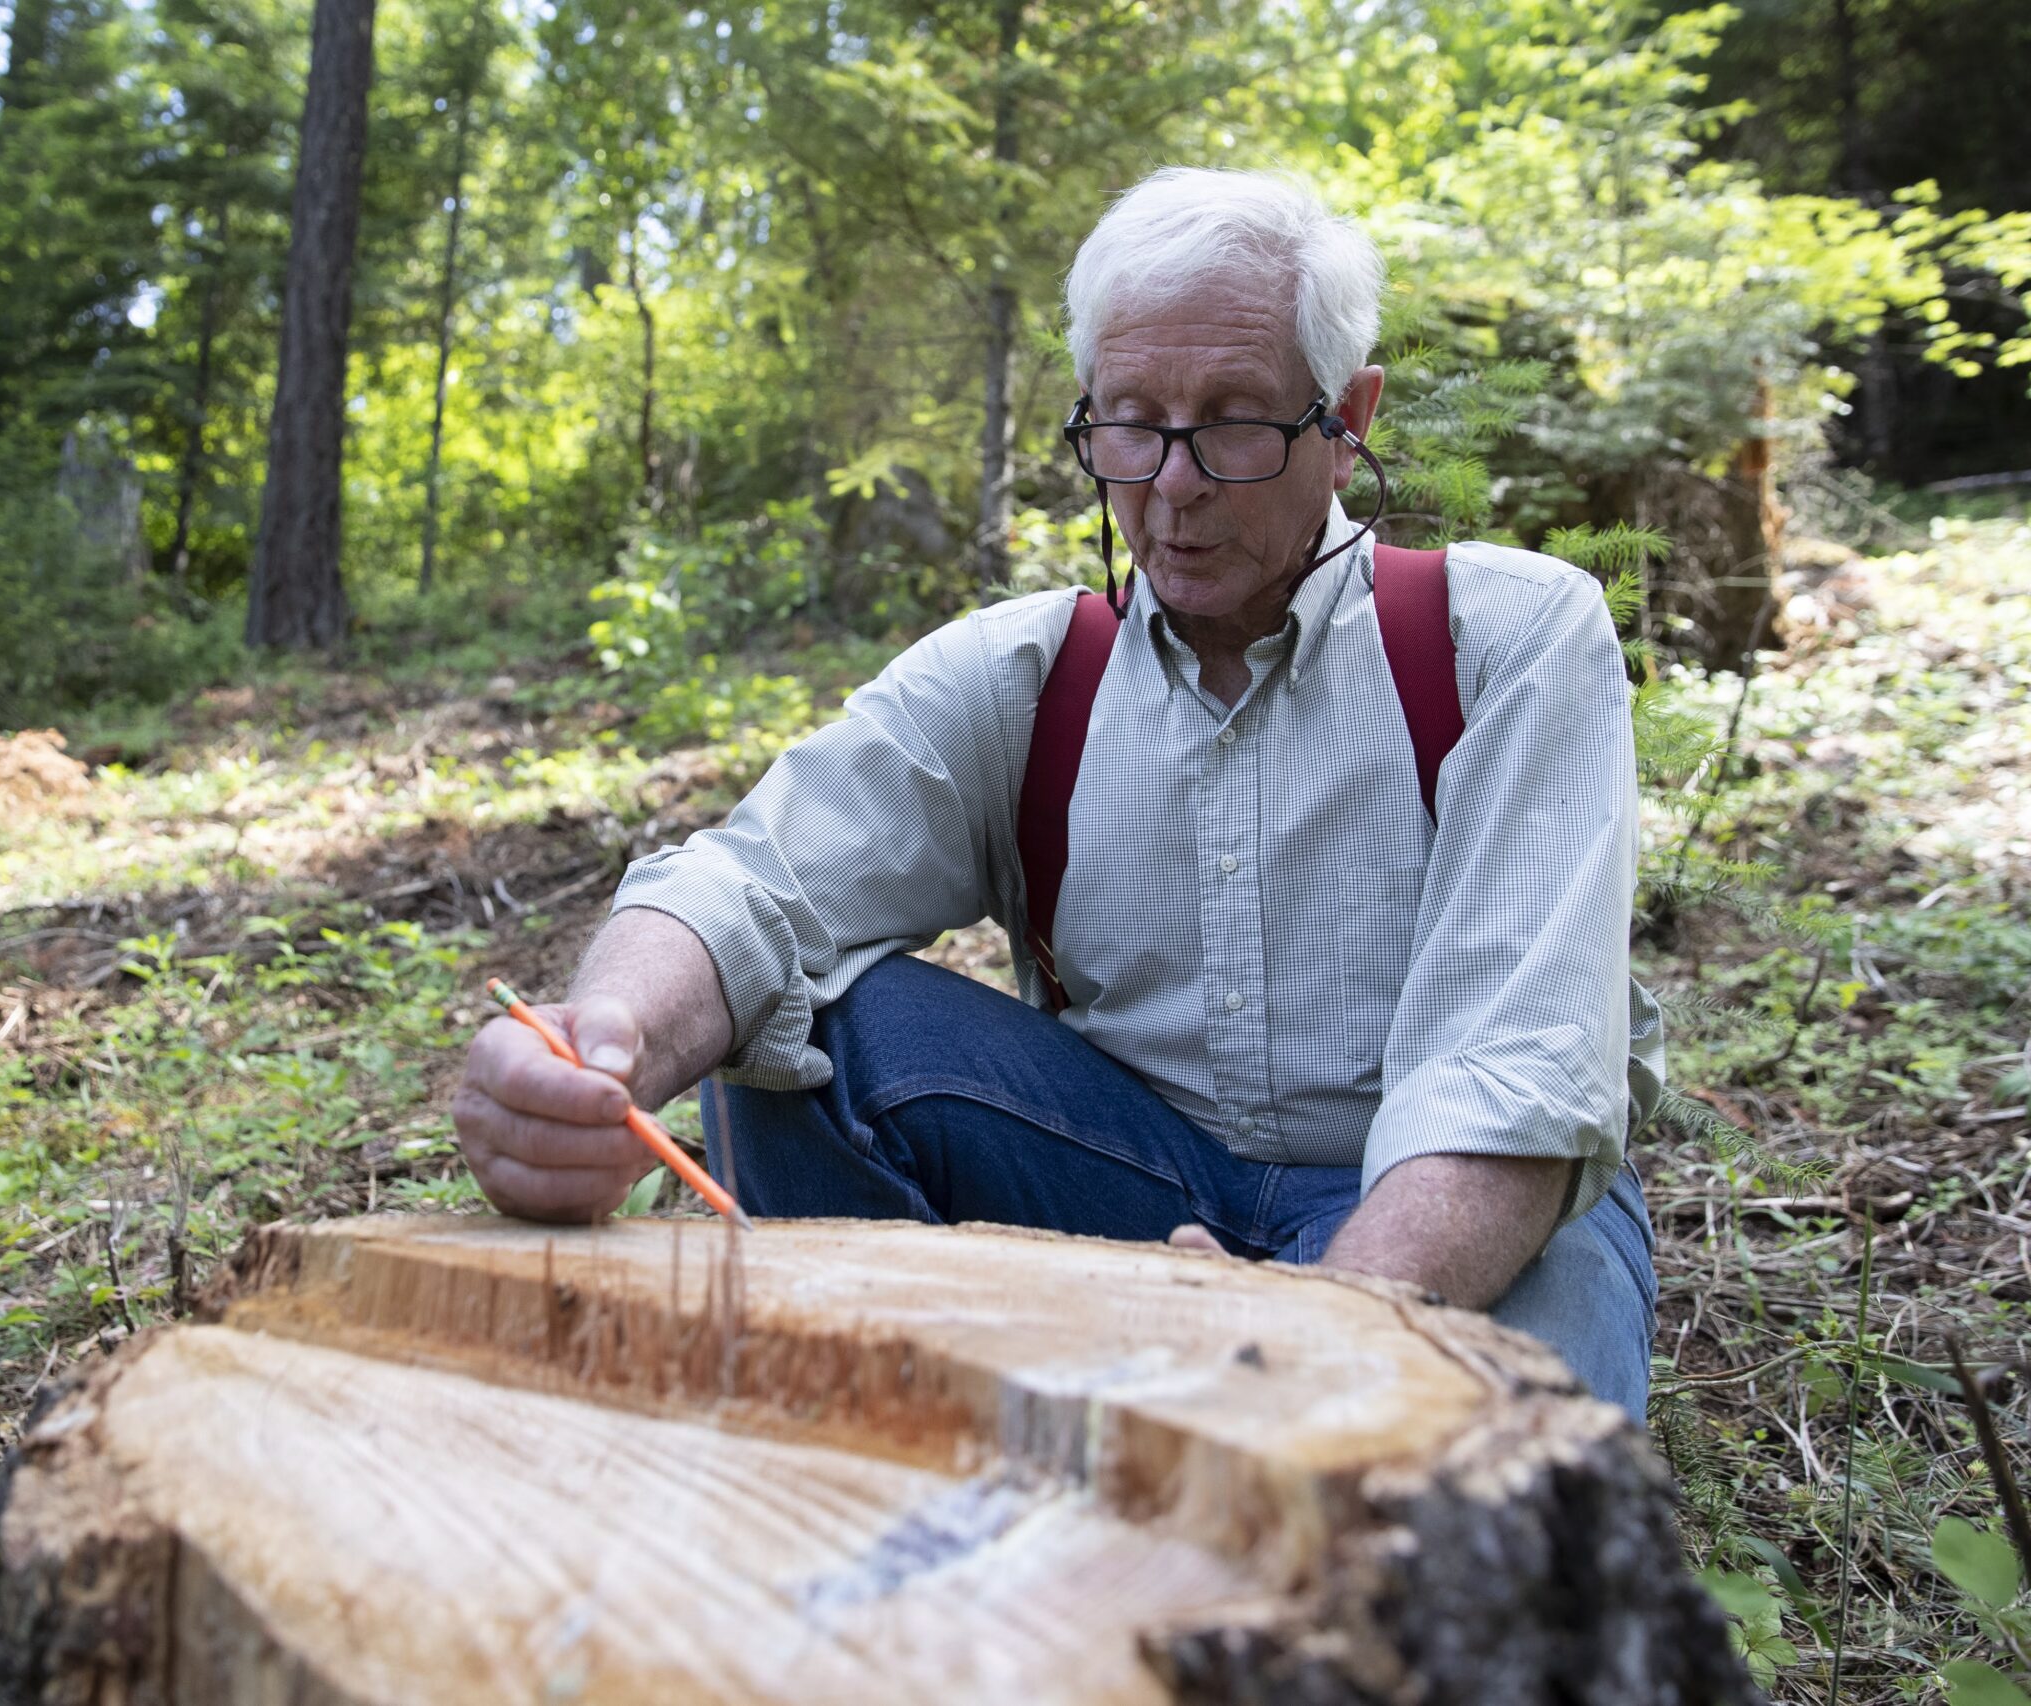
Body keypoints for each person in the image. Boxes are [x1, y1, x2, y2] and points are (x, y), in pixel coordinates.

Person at [451, 167, 1663, 1420]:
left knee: (1499, 1490)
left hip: (1444, 1213)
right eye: (1129, 422)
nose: (1171, 485)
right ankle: (890, 1444)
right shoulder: (1027, 676)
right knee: (834, 1030)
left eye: (1236, 421)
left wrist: (1319, 1326)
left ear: (1346, 415)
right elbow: (754, 884)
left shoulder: (1501, 641)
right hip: (1127, 1190)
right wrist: (602, 1048)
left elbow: (1516, 1075)